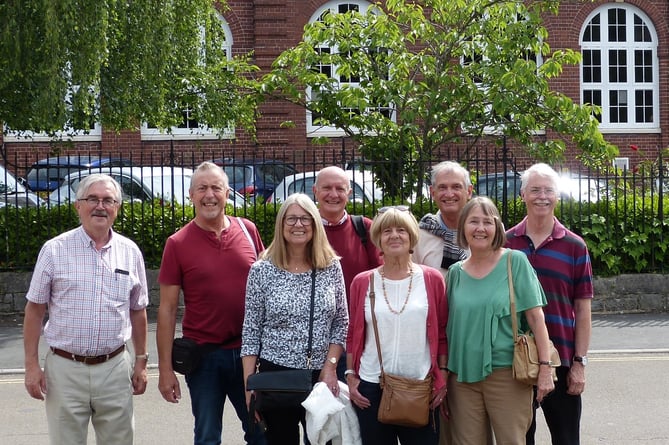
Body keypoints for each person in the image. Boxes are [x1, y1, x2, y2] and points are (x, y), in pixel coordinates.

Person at [23, 173, 149, 444]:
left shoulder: (130, 251)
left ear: (117, 208)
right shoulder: (54, 250)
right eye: (92, 199)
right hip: (65, 369)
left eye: (108, 200)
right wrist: (31, 366)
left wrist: (141, 362)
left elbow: (138, 310)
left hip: (115, 368)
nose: (100, 206)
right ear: (78, 206)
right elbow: (34, 310)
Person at [156, 161, 266, 445]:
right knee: (207, 437)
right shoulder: (177, 243)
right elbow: (167, 310)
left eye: (216, 187)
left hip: (250, 354)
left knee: (261, 431)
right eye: (202, 188)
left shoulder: (248, 231)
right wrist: (166, 370)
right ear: (191, 195)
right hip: (204, 358)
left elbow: (270, 287)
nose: (209, 195)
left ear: (227, 193)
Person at [241, 193, 349, 445]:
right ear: (281, 224)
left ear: (314, 224)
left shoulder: (331, 266)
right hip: (276, 375)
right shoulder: (261, 270)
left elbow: (341, 322)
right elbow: (251, 330)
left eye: (305, 219)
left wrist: (331, 367)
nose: (298, 225)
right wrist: (249, 384)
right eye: (291, 219)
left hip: (321, 376)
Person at [446, 197, 555, 444]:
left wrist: (545, 368)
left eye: (488, 222)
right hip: (462, 378)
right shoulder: (455, 273)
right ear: (463, 226)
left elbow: (537, 319)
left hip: (507, 374)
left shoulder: (514, 261)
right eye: (474, 221)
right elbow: (449, 327)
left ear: (497, 228)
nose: (481, 228)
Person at [506, 163, 593, 445]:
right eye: (534, 190)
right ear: (522, 195)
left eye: (548, 190)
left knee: (567, 439)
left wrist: (579, 363)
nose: (542, 196)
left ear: (557, 196)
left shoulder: (574, 246)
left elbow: (582, 309)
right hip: (513, 359)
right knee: (520, 440)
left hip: (563, 359)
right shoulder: (506, 243)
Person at [346, 205, 448, 445]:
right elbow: (353, 334)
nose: (394, 235)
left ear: (412, 237)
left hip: (420, 385)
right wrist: (351, 375)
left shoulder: (432, 279)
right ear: (378, 239)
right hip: (372, 386)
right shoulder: (363, 282)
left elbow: (442, 333)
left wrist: (442, 376)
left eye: (401, 230)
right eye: (387, 230)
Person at [313, 165, 383, 379]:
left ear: (349, 194)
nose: (333, 194)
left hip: (357, 338)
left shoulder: (365, 229)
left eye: (340, 189)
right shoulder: (303, 230)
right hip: (312, 340)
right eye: (326, 188)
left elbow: (382, 277)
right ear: (315, 191)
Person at [412, 160, 472, 280]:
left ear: (469, 191)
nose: (449, 194)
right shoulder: (418, 236)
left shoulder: (485, 231)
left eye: (456, 187)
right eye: (442, 188)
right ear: (433, 193)